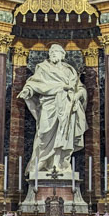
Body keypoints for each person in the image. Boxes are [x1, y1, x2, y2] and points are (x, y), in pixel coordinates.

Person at [19, 44, 87, 180]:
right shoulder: (43, 68)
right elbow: (33, 83)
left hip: (67, 107)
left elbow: (80, 88)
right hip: (49, 106)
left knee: (64, 137)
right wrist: (27, 90)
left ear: (63, 55)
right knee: (43, 134)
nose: (53, 54)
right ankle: (41, 164)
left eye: (56, 52)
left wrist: (78, 95)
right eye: (51, 52)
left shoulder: (70, 71)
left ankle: (60, 164)